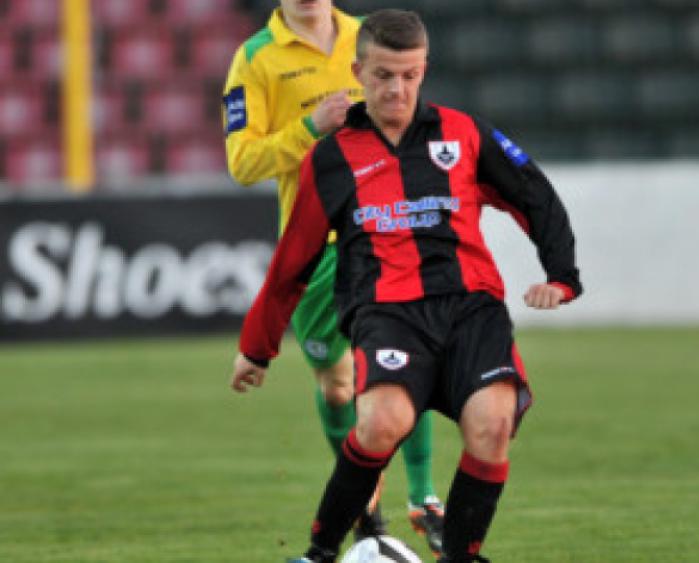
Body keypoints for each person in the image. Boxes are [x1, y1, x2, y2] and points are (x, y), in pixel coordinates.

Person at [230, 8, 582, 563]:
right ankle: (320, 553)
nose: (397, 89)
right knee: (381, 421)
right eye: (383, 76)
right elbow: (293, 259)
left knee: (493, 425)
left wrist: (562, 276)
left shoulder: (462, 133)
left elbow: (534, 192)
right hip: (387, 310)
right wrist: (258, 346)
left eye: (410, 75)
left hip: (472, 307)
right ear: (358, 72)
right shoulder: (331, 157)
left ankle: (460, 556)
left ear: (425, 70)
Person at [221, 0, 445, 554]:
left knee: (407, 362)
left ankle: (423, 496)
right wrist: (308, 128)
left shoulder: (368, 37)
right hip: (314, 244)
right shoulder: (255, 58)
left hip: (383, 229)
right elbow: (243, 162)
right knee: (339, 382)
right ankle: (366, 498)